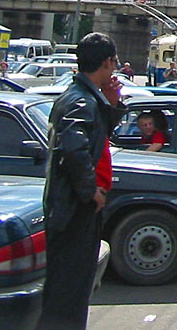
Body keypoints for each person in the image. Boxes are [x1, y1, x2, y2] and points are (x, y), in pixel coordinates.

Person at [38, 32, 124, 330]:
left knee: (73, 289)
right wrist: (91, 192)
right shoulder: (80, 101)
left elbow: (96, 139)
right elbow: (74, 150)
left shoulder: (87, 98)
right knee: (68, 293)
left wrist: (112, 104)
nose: (115, 70)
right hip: (74, 210)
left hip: (75, 209)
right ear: (106, 62)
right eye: (114, 63)